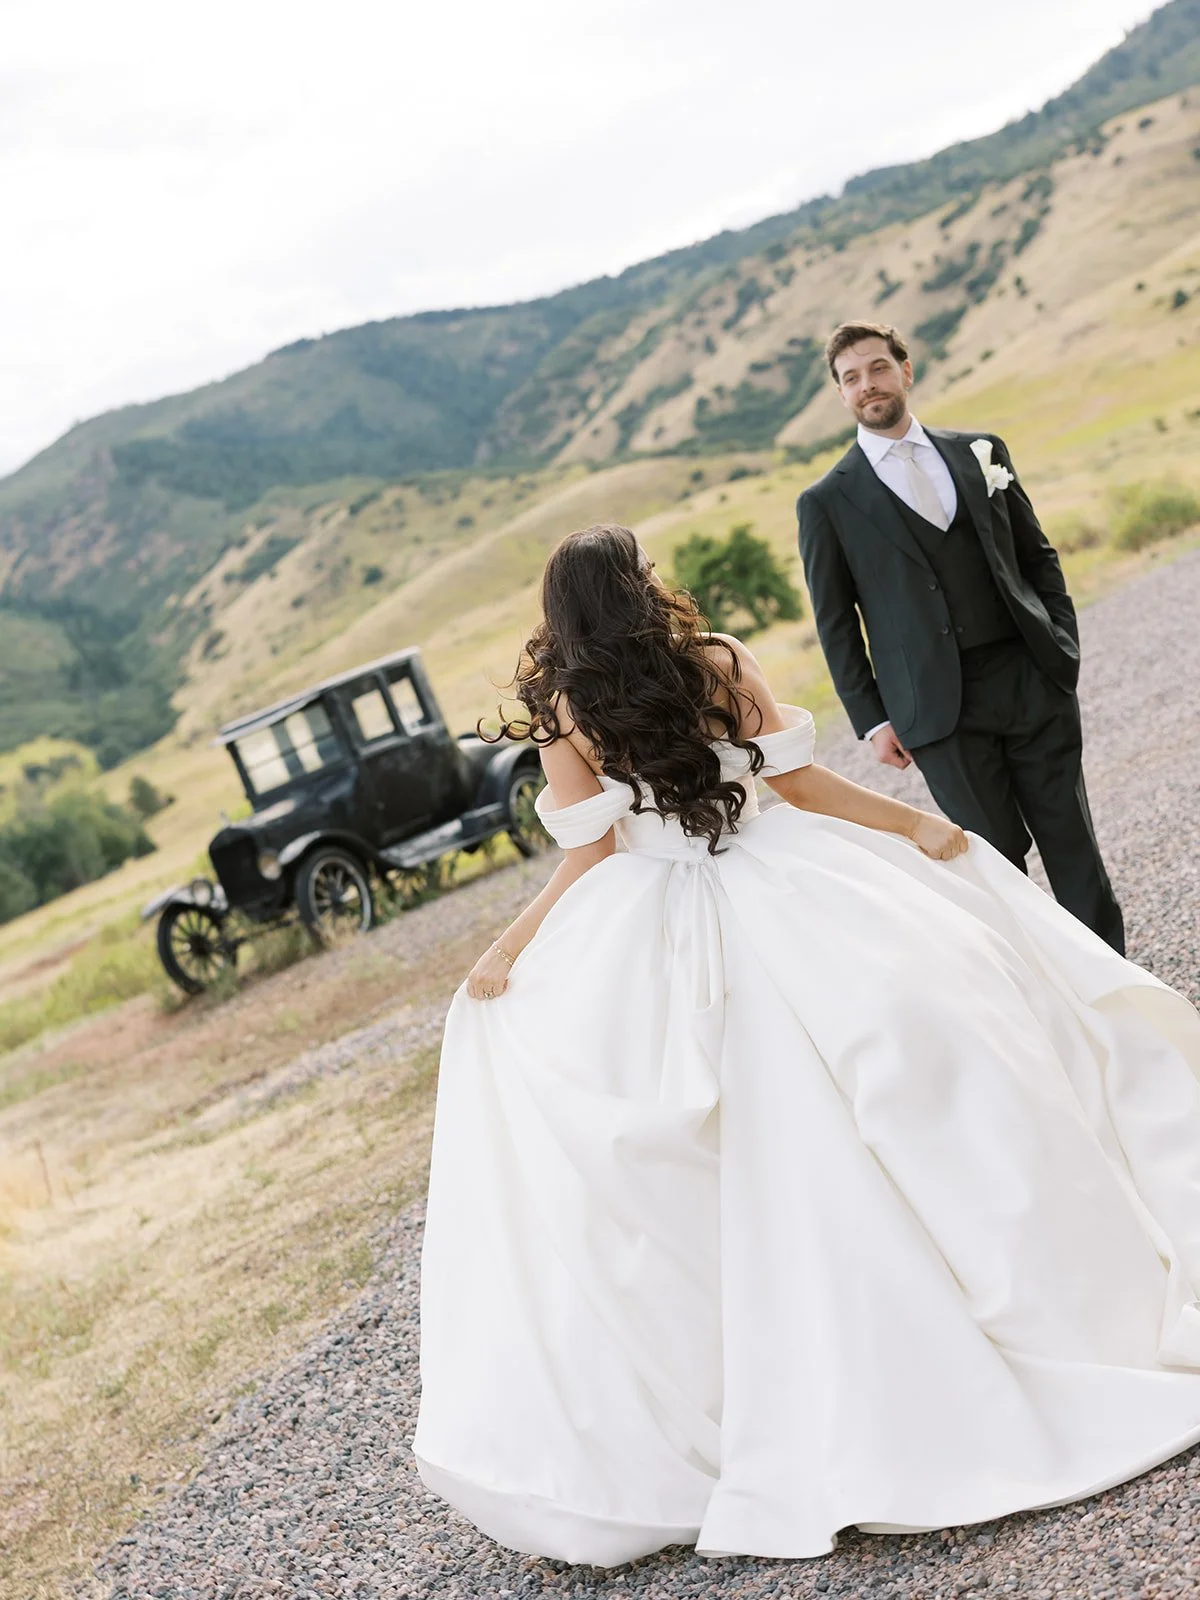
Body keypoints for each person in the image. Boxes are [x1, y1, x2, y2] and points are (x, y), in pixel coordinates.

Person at [412, 522, 1200, 1568]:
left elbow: (594, 853)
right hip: (783, 875)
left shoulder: (568, 707)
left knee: (721, 1134)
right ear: (635, 586)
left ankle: (774, 1387)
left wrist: (512, 943)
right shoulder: (718, 660)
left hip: (657, 912)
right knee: (922, 1043)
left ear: (565, 611)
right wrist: (907, 825)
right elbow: (799, 789)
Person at [797, 321, 1124, 953]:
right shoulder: (827, 502)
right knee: (995, 863)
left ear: (906, 371)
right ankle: (1049, 998)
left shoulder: (982, 450)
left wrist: (1061, 647)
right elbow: (835, 621)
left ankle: (1122, 994)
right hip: (938, 712)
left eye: (878, 368)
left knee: (1072, 843)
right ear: (841, 394)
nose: (869, 384)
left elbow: (1038, 557)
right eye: (851, 377)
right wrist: (871, 719)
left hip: (1031, 677)